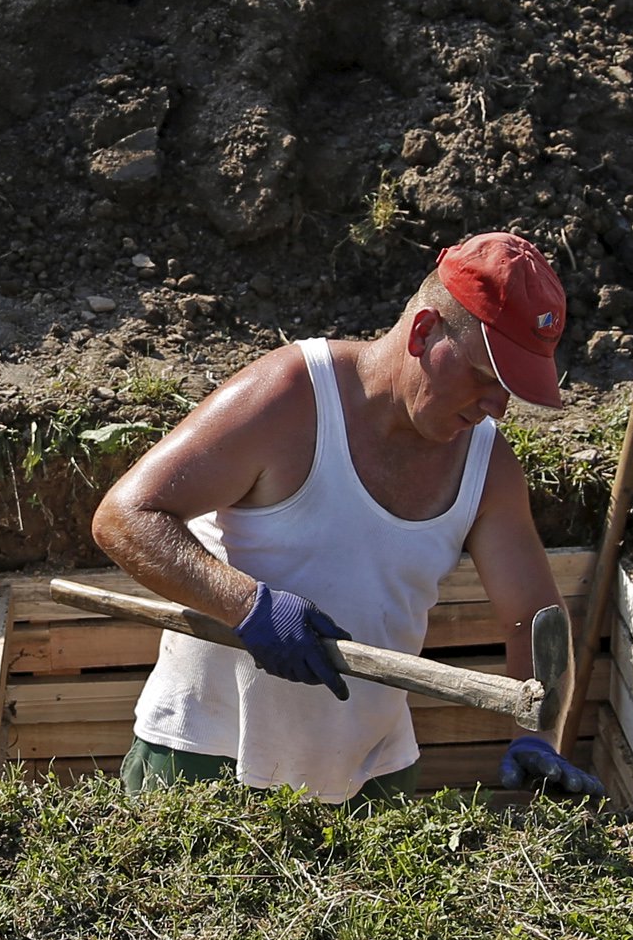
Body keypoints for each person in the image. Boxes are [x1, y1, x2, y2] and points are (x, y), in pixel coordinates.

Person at [94, 231, 603, 805]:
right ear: (424, 331)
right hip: (206, 756)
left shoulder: (487, 466)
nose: (496, 406)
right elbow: (125, 516)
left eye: (509, 388)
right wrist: (248, 607)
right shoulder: (292, 397)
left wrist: (537, 736)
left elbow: (536, 618)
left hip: (369, 780)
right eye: (486, 376)